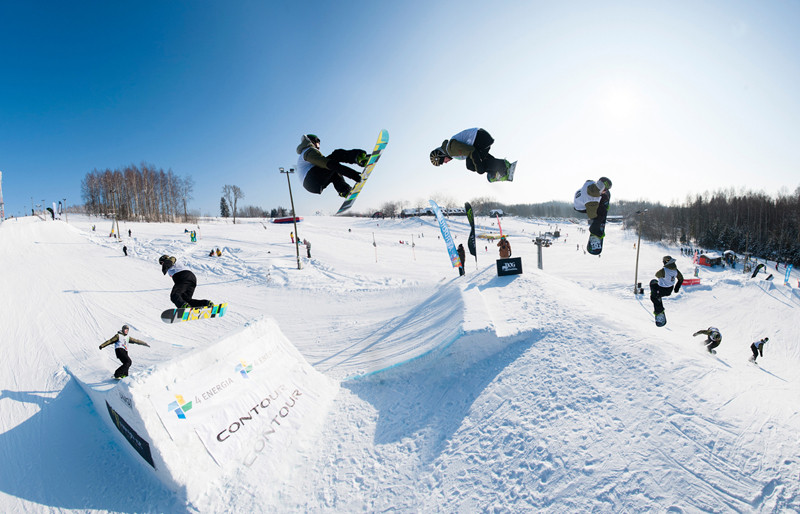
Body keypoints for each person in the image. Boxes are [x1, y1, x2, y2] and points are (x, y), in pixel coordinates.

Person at [296, 134, 368, 198]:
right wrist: (351, 174)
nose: (318, 146)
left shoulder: (305, 153)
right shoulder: (308, 151)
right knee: (336, 155)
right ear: (312, 141)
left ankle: (344, 191)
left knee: (334, 171)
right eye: (318, 142)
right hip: (311, 179)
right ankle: (359, 158)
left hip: (312, 185)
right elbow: (326, 163)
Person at [429, 128, 512, 182]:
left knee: (474, 166)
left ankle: (503, 166)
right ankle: (496, 170)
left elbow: (472, 151)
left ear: (443, 155)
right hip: (480, 138)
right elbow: (476, 153)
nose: (446, 162)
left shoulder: (451, 149)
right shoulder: (450, 149)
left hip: (481, 138)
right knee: (471, 165)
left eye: (443, 161)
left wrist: (480, 169)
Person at [574, 177, 612, 254]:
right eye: (605, 190)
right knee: (601, 214)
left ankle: (602, 201)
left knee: (603, 198)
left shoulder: (590, 183)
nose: (606, 191)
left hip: (579, 197)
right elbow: (592, 216)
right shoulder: (591, 201)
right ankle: (594, 230)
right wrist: (599, 218)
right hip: (580, 207)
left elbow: (588, 180)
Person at [650, 255, 684, 325]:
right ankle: (657, 294)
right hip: (670, 290)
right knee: (655, 284)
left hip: (662, 289)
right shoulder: (676, 270)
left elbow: (657, 275)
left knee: (653, 296)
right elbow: (681, 279)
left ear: (665, 262)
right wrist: (676, 288)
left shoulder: (664, 270)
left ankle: (659, 311)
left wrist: (663, 275)